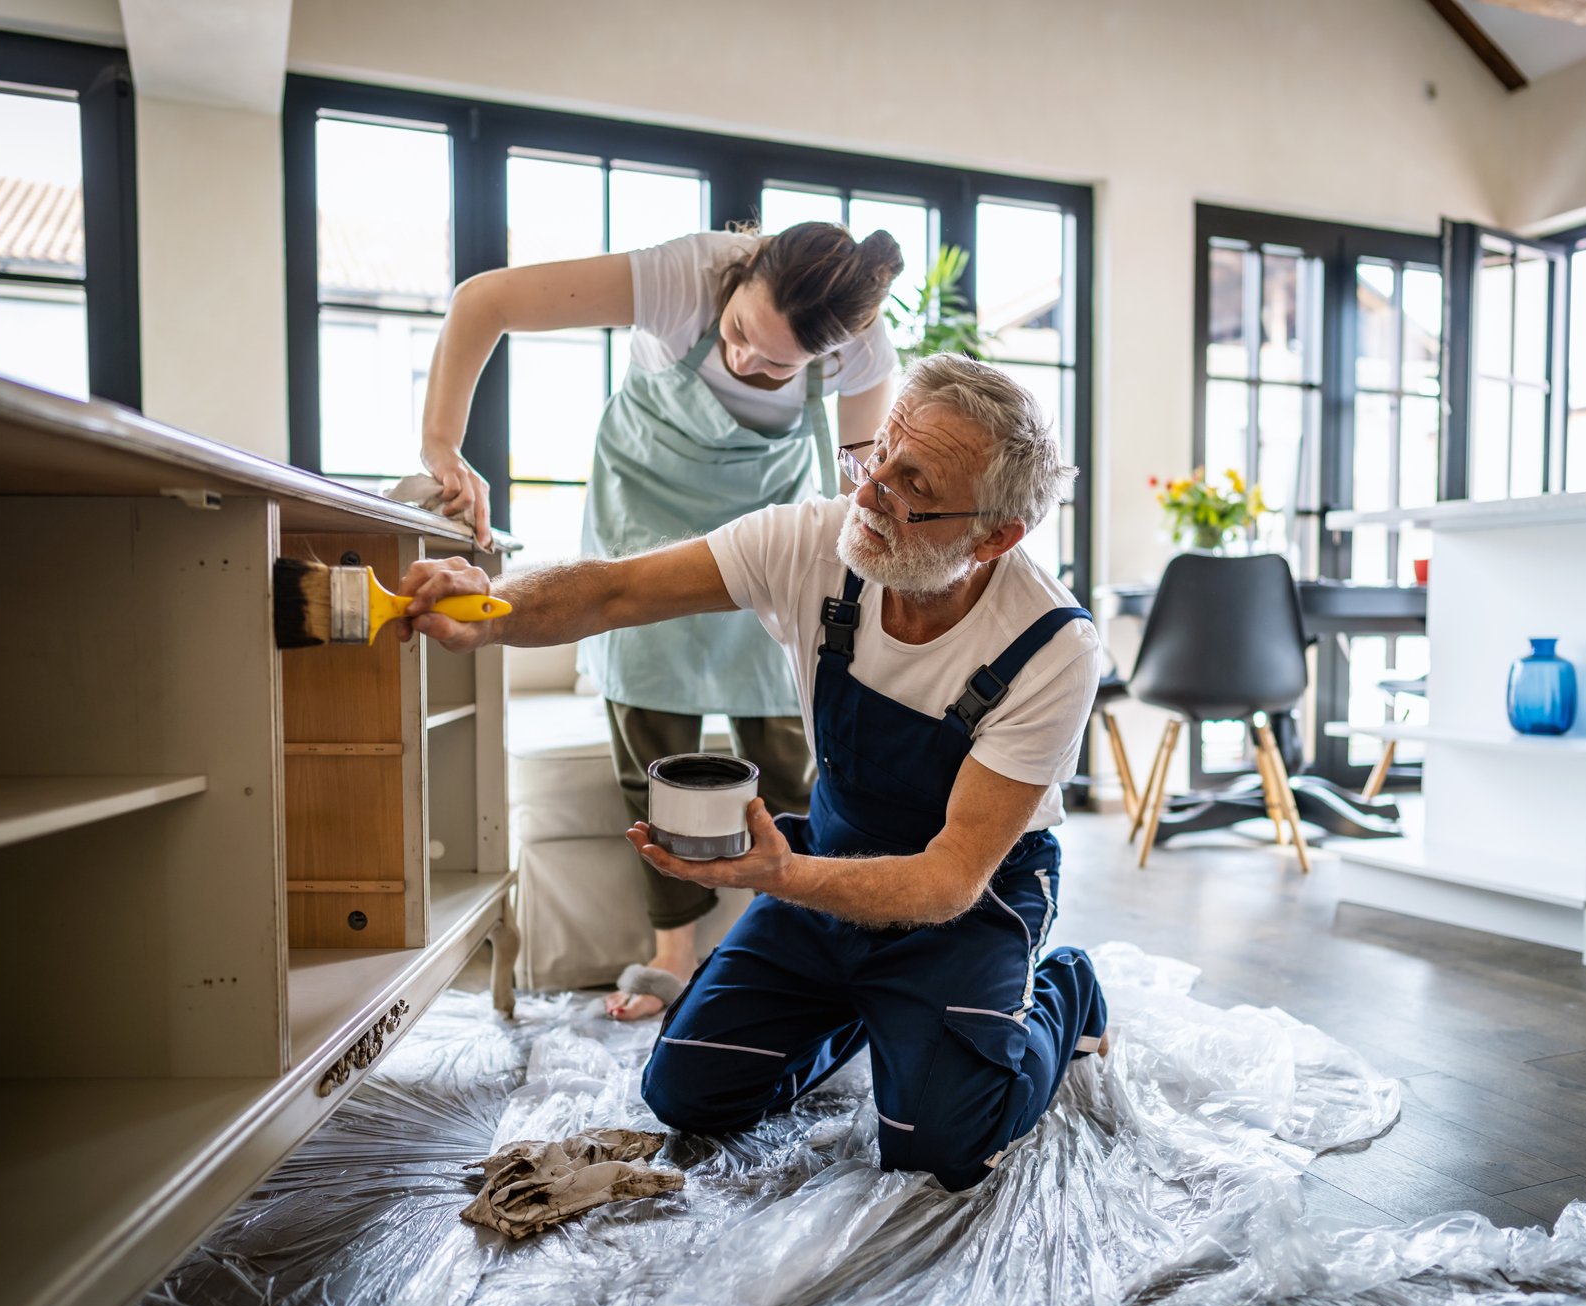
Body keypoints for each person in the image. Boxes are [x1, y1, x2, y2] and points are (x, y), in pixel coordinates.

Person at [394, 354, 1108, 1191]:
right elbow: (616, 593)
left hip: (969, 901)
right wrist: (492, 610)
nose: (870, 491)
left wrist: (778, 875)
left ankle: (1067, 990)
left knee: (943, 1149)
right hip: (830, 858)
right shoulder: (816, 543)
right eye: (875, 455)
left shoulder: (1051, 647)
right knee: (688, 1095)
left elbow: (949, 880)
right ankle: (866, 1011)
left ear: (993, 536)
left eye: (910, 483)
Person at [418, 221, 906, 1021]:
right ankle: (671, 950)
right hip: (643, 510)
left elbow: (860, 487)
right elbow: (486, 301)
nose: (749, 361)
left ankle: (787, 949)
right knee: (655, 748)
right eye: (742, 332)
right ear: (740, 276)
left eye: (780, 364)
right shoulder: (682, 277)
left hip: (764, 528)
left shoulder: (862, 350)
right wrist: (444, 445)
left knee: (789, 757)